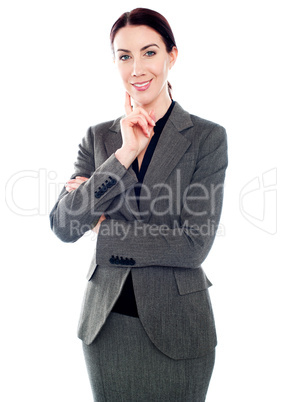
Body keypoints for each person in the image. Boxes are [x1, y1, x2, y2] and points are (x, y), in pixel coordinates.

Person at [50, 7, 228, 401]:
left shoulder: (207, 139)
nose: (137, 69)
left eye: (149, 52)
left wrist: (103, 227)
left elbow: (193, 244)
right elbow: (64, 225)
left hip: (180, 329)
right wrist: (123, 156)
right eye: (124, 56)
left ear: (172, 56)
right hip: (106, 328)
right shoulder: (98, 139)